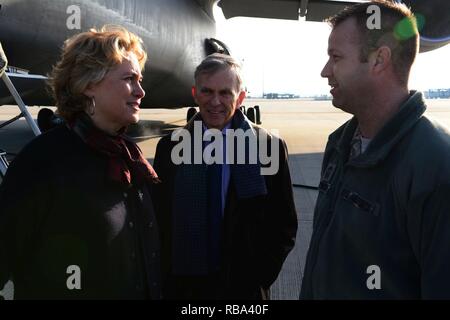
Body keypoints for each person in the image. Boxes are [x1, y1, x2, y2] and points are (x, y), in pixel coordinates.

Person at [301, 0, 450, 299]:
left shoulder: (436, 166)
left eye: (335, 57)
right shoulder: (340, 144)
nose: (324, 71)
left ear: (379, 60)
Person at [0, 26, 161, 299]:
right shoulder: (42, 162)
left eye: (140, 80)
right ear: (89, 86)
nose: (141, 91)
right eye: (130, 79)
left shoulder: (129, 158)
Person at [153, 53, 298, 299]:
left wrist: (260, 277)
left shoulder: (268, 147)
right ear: (195, 93)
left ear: (240, 97)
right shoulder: (170, 148)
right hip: (186, 287)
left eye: (225, 93)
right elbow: (160, 218)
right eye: (207, 92)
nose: (215, 102)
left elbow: (283, 223)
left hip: (243, 287)